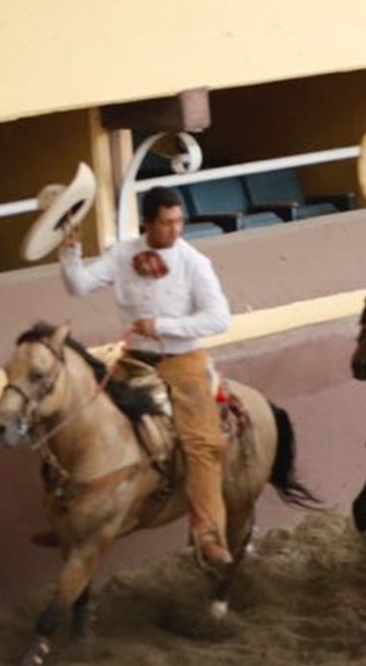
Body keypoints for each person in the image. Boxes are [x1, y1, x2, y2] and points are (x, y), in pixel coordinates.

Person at [58, 186, 235, 566]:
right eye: (167, 222)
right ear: (147, 223)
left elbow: (220, 318)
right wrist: (70, 251)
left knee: (202, 443)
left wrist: (163, 325)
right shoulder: (123, 254)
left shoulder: (194, 262)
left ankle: (207, 534)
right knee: (89, 416)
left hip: (183, 360)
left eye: (179, 222)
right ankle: (76, 512)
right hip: (133, 359)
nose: (175, 230)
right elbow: (79, 285)